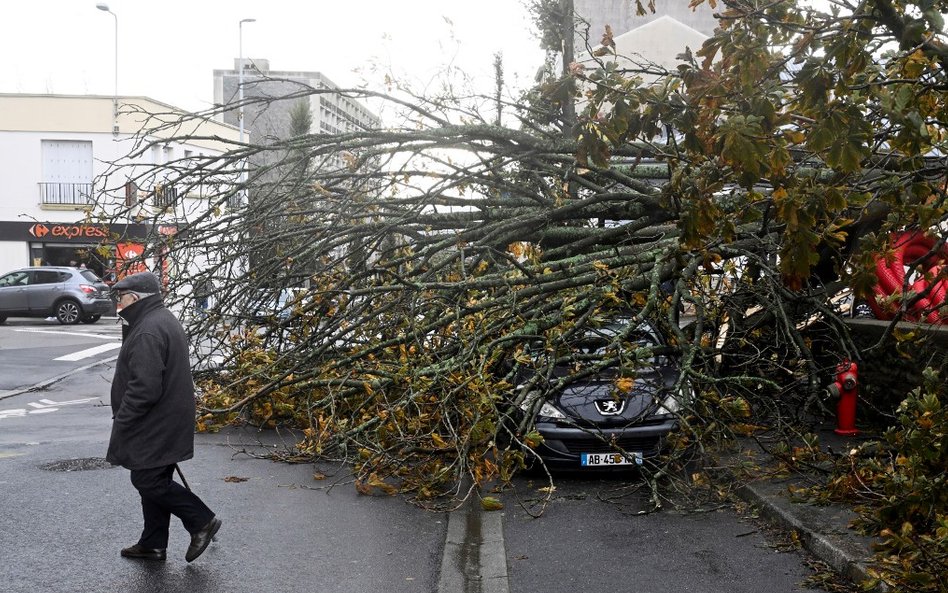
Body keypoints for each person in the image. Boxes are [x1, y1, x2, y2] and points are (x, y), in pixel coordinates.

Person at [106, 271, 221, 562]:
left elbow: (144, 388)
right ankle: (153, 543)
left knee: (148, 480)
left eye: (122, 297)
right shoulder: (157, 319)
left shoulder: (148, 329)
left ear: (135, 297)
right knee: (153, 476)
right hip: (167, 417)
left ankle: (201, 520)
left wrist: (124, 418)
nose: (119, 303)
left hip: (156, 420)